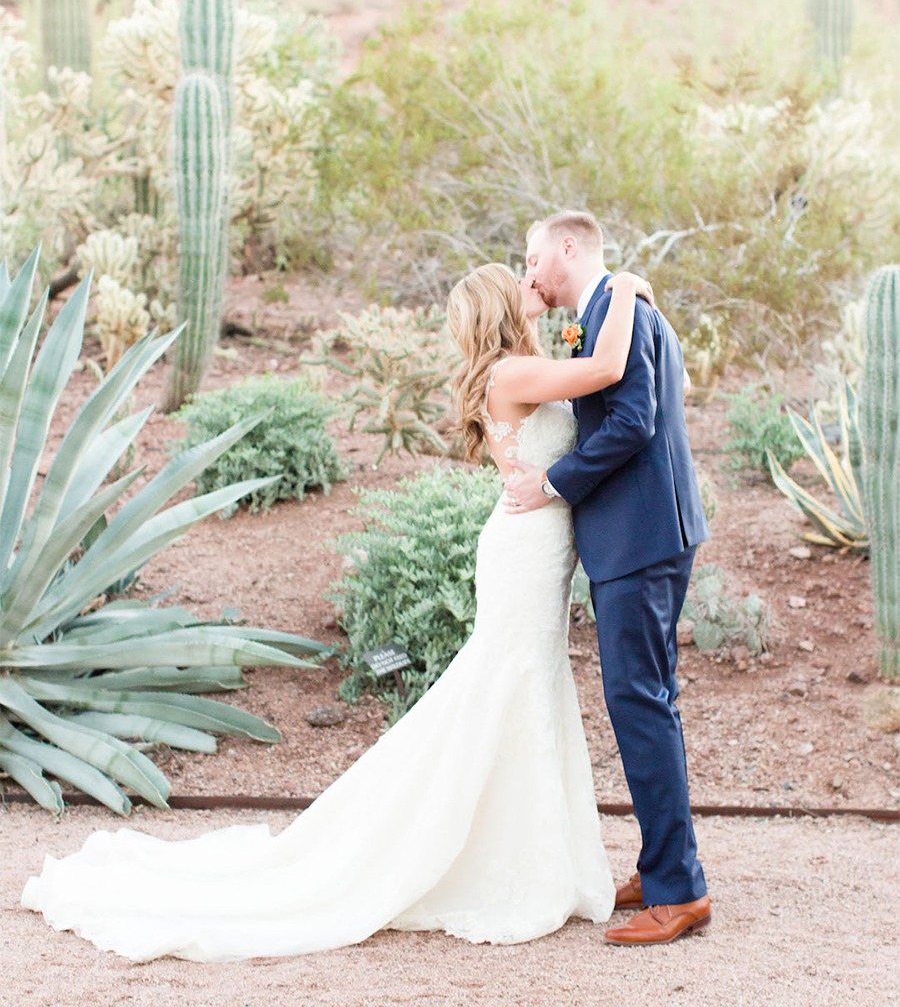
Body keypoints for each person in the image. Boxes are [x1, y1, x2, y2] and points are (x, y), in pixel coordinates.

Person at [21, 263, 651, 963]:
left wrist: (554, 311)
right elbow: (608, 365)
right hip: (523, 555)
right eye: (520, 281)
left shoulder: (520, 367)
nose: (532, 283)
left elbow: (578, 375)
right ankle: (495, 863)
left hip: (535, 548)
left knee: (525, 689)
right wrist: (622, 284)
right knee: (510, 687)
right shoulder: (511, 376)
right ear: (505, 306)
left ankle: (530, 859)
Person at [506, 210, 711, 947]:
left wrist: (553, 483)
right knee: (647, 702)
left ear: (569, 247)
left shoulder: (622, 315)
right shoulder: (613, 311)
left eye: (534, 256)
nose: (529, 270)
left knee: (639, 703)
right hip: (646, 535)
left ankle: (680, 892)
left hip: (640, 539)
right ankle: (666, 865)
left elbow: (632, 424)